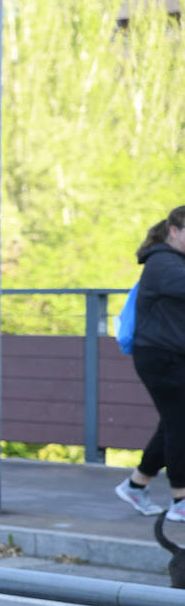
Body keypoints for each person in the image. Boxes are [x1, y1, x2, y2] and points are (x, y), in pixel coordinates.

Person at [116, 206, 185, 522]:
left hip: (170, 355)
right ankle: (181, 499)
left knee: (173, 422)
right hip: (160, 357)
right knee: (180, 423)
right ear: (174, 231)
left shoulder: (173, 261)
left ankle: (136, 484)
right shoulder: (162, 263)